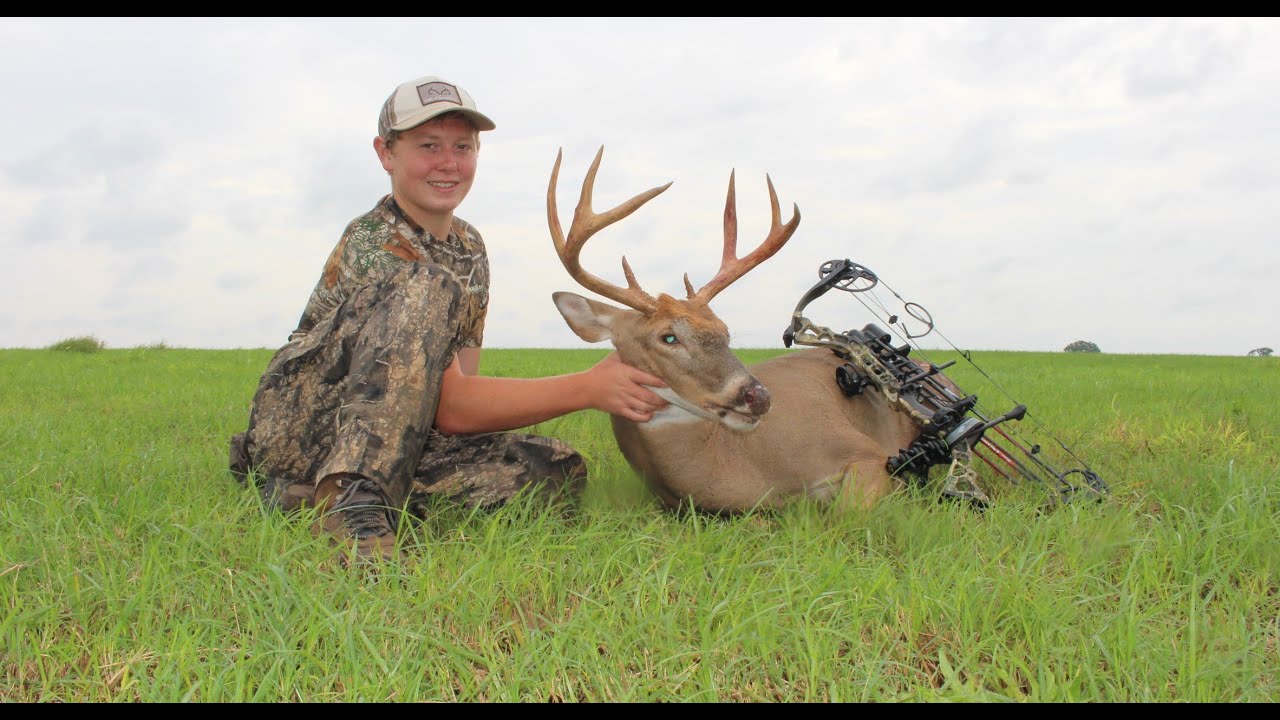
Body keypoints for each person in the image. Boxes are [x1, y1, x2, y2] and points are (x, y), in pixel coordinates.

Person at [228, 74, 667, 564]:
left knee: (556, 468)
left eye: (463, 146)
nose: (448, 163)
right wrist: (587, 388)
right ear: (386, 154)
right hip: (302, 426)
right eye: (428, 145)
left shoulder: (470, 248)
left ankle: (304, 496)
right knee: (428, 283)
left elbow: (456, 393)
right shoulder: (377, 243)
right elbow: (453, 409)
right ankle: (354, 503)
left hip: (394, 433)